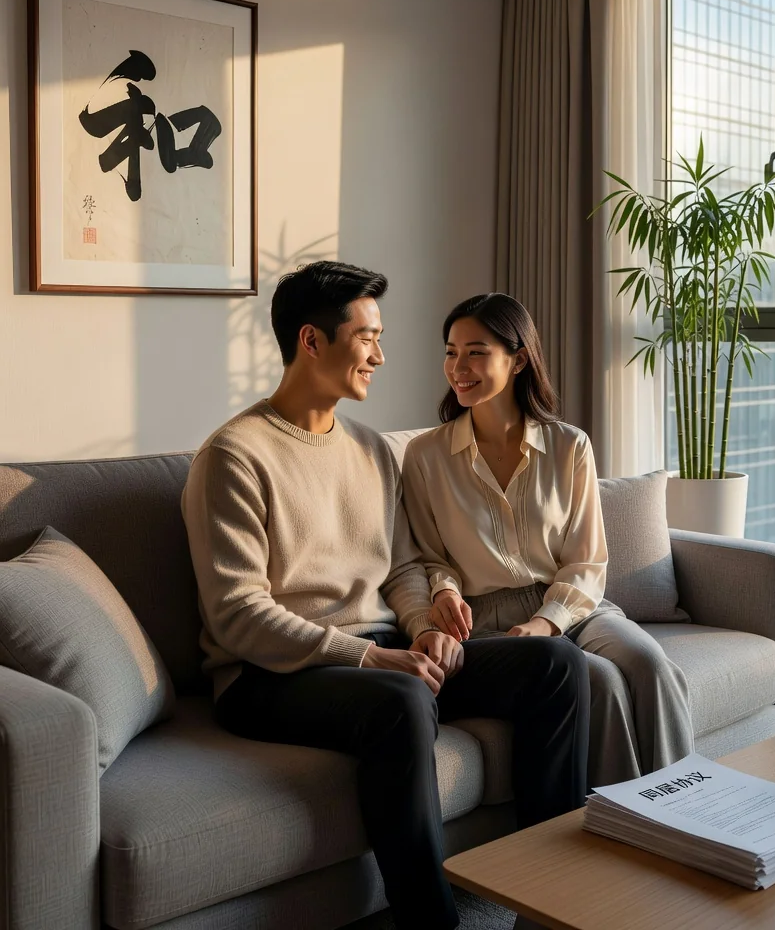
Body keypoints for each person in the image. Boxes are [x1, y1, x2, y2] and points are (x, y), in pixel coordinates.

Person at [181, 263, 589, 930]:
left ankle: (549, 906)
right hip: (269, 677)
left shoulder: (372, 450)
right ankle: (431, 924)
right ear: (313, 341)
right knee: (401, 699)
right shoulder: (234, 455)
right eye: (367, 336)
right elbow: (237, 616)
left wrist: (426, 624)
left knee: (555, 666)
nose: (381, 354)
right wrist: (369, 658)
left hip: (383, 654)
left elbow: (402, 568)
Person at [402, 293, 695, 789]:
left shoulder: (568, 445)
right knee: (597, 681)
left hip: (573, 605)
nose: (459, 367)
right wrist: (445, 591)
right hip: (486, 619)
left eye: (476, 351)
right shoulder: (426, 455)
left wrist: (545, 622)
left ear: (518, 359)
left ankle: (684, 807)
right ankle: (620, 826)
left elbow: (586, 561)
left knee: (650, 664)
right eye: (451, 352)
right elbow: (429, 556)